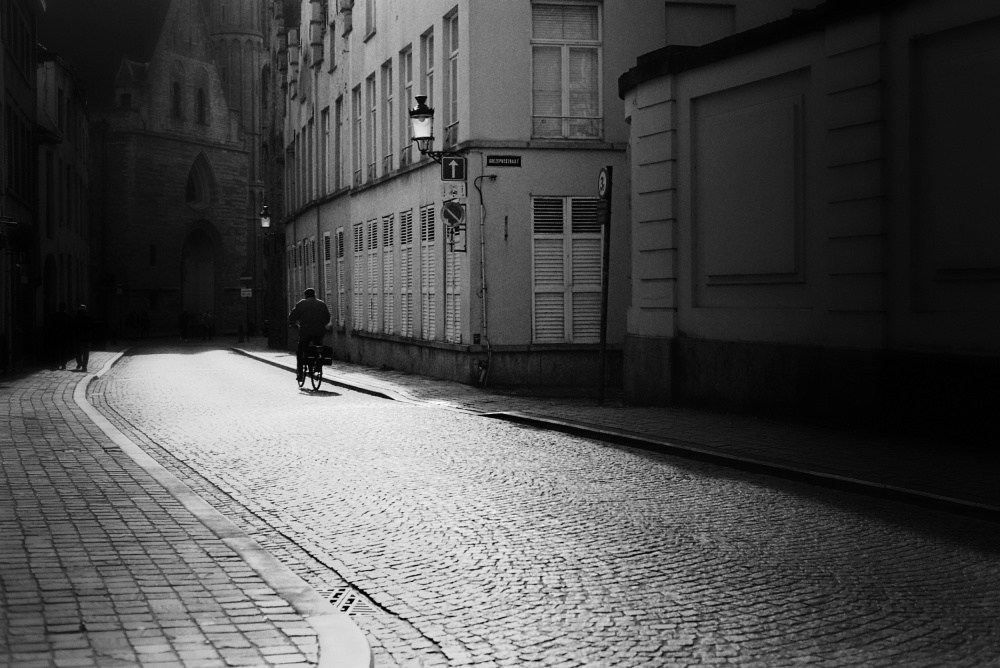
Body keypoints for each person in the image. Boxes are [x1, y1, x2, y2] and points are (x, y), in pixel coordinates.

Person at [287, 288, 331, 382]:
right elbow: (327, 318)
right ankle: (317, 364)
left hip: (305, 333)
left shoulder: (302, 303)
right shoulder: (322, 304)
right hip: (319, 332)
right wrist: (322, 325)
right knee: (317, 345)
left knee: (300, 351)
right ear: (314, 294)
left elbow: (292, 316)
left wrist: (292, 323)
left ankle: (300, 374)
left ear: (306, 295)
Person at [50, 302, 73, 369]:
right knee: (64, 350)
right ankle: (63, 363)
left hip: (56, 334)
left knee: (56, 349)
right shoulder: (67, 316)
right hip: (64, 335)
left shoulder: (55, 315)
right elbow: (70, 326)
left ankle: (57, 362)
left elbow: (52, 325)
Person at [73, 304, 93, 372]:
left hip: (78, 337)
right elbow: (91, 327)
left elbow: (73, 327)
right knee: (85, 352)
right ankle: (84, 365)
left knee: (78, 352)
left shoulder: (76, 317)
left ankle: (79, 363)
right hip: (86, 337)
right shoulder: (88, 317)